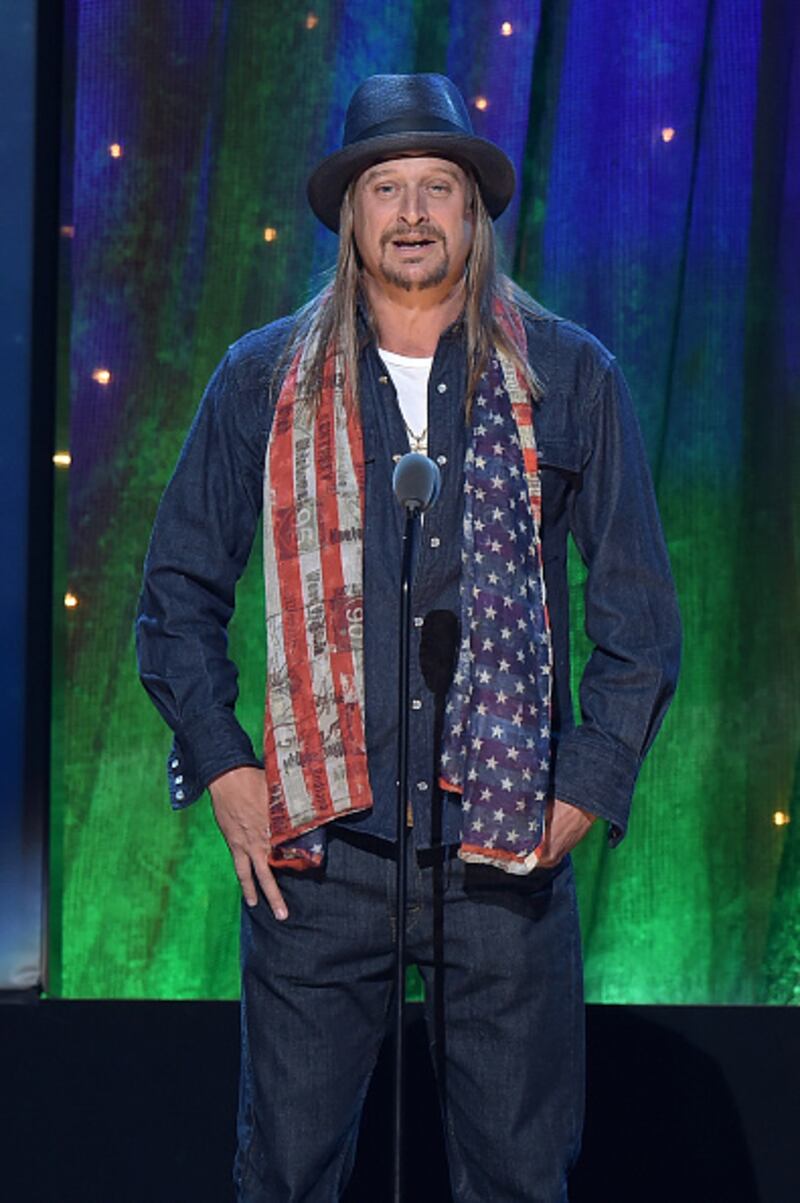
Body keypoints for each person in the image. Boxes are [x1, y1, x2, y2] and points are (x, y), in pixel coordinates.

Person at [137, 74, 681, 1202]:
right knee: (284, 1175)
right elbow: (175, 594)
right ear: (351, 212)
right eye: (387, 187)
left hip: (503, 859)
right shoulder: (262, 379)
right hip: (320, 858)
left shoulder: (568, 375)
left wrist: (582, 788)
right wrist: (227, 768)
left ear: (473, 210)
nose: (414, 212)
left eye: (438, 186)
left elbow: (640, 620)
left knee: (519, 1179)